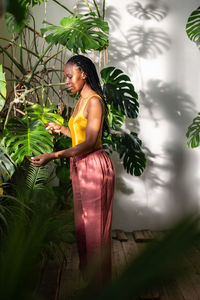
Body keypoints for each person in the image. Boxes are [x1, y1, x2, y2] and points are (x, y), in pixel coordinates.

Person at [30, 54, 115, 287]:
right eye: (65, 77)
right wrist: (61, 129)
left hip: (94, 166)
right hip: (80, 164)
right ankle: (91, 283)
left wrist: (54, 155)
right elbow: (80, 136)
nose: (67, 81)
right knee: (84, 227)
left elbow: (90, 143)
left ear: (84, 74)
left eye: (70, 76)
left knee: (95, 230)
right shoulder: (80, 100)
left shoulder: (95, 101)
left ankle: (101, 287)